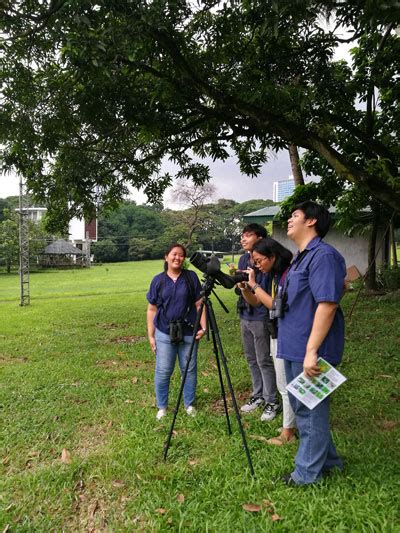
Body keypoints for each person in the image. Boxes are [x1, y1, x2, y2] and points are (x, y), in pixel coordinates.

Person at [277, 201, 346, 486]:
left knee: (309, 409)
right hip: (294, 343)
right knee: (304, 405)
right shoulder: (300, 257)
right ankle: (330, 463)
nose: (290, 220)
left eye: (295, 215)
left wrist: (311, 351)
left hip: (311, 348)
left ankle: (306, 475)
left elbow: (327, 304)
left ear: (311, 221)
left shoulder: (323, 256)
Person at [239, 237, 297, 445]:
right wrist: (246, 288)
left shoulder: (286, 275)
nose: (256, 264)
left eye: (259, 260)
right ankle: (289, 424)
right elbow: (257, 302)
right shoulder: (273, 275)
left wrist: (254, 284)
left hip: (286, 334)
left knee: (285, 385)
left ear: (272, 257)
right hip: (277, 331)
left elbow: (274, 305)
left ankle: (288, 431)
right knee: (284, 383)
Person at [146, 243, 206, 420]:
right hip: (164, 331)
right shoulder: (158, 280)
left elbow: (199, 303)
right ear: (166, 257)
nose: (177, 258)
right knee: (163, 370)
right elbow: (152, 309)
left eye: (181, 255)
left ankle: (189, 404)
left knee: (189, 369)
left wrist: (203, 327)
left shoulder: (191, 277)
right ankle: (162, 407)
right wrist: (150, 335)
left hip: (188, 331)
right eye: (174, 254)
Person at [236, 224, 279, 422]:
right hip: (245, 312)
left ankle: (272, 400)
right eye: (242, 236)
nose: (243, 239)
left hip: (261, 314)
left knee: (263, 359)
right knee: (251, 358)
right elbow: (241, 287)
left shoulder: (267, 258)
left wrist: (250, 285)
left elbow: (263, 290)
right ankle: (258, 395)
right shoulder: (244, 258)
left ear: (260, 237)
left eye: (247, 235)